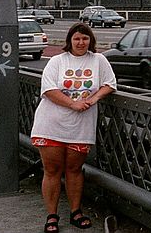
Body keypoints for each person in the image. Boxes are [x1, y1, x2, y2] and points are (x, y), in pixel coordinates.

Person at [30, 22, 117, 232]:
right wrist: (73, 103)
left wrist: (94, 98)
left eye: (85, 38)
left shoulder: (98, 60)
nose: (81, 42)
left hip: (80, 125)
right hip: (52, 123)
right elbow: (48, 89)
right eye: (77, 38)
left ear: (91, 41)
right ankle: (52, 216)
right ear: (70, 40)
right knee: (52, 170)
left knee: (74, 169)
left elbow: (110, 84)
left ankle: (75, 212)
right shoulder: (57, 61)